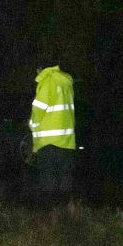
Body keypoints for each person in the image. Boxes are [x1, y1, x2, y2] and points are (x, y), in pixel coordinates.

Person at [23, 64, 77, 204]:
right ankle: (64, 211)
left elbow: (38, 109)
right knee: (64, 177)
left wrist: (32, 124)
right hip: (66, 141)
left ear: (40, 69)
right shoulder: (66, 82)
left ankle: (50, 212)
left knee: (48, 178)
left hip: (49, 141)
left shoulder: (47, 81)